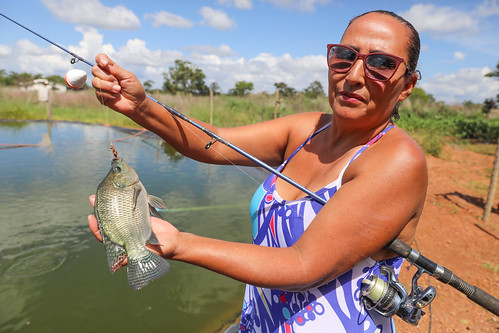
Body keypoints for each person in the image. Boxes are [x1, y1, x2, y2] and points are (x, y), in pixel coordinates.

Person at [89, 9, 427, 332]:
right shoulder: (309, 129)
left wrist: (180, 244)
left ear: (407, 85)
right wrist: (141, 107)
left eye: (381, 64)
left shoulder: (397, 160)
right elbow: (217, 143)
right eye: (344, 56)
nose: (353, 76)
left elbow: (302, 265)